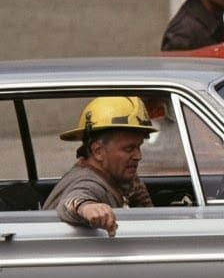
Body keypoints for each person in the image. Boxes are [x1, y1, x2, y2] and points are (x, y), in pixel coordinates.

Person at [43, 96, 157, 237]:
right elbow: (74, 199)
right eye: (129, 149)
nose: (138, 156)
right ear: (98, 151)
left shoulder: (115, 177)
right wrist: (87, 207)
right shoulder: (89, 182)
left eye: (139, 147)